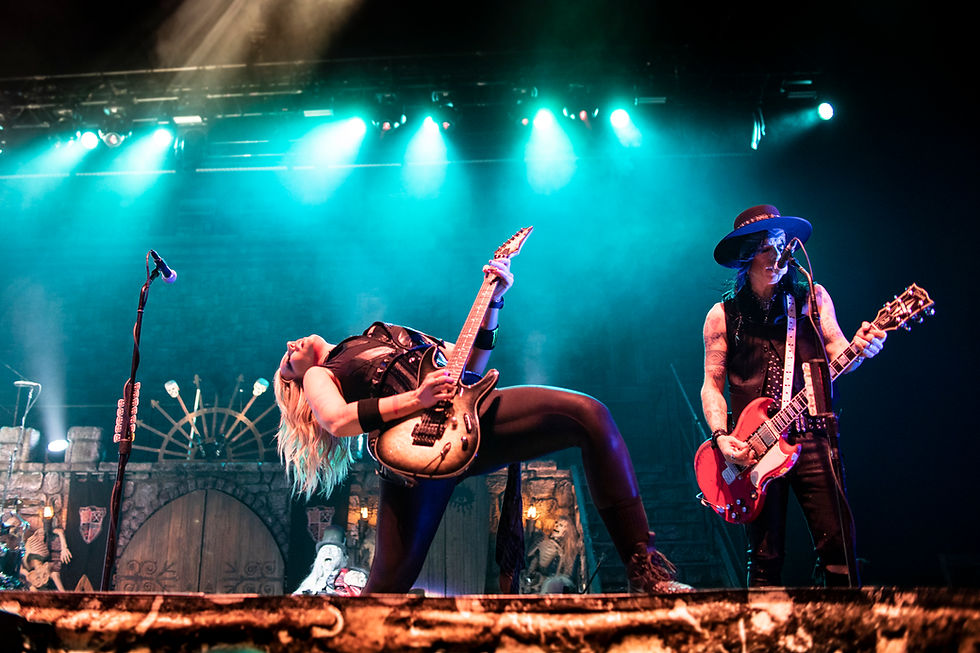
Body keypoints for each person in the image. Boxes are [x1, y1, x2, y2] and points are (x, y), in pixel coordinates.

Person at [274, 257, 688, 594]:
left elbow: (468, 363)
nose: (290, 348)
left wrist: (494, 302)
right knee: (386, 590)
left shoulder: (381, 331)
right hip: (412, 454)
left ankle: (645, 572)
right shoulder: (321, 373)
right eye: (287, 362)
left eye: (288, 350)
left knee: (590, 414)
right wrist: (417, 400)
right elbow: (338, 420)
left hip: (469, 418)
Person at [700, 205, 887, 587]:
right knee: (765, 557)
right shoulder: (722, 315)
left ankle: (842, 618)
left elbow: (839, 351)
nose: (776, 255)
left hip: (814, 436)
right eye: (765, 247)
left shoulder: (812, 297)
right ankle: (764, 624)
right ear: (746, 256)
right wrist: (721, 437)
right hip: (754, 448)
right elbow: (712, 385)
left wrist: (862, 347)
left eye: (781, 244)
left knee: (839, 548)